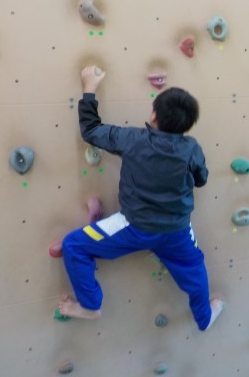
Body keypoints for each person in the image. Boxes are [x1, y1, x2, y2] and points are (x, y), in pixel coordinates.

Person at [57, 65, 224, 331]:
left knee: (73, 246)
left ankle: (90, 306)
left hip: (134, 227)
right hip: (177, 231)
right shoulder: (191, 148)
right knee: (195, 268)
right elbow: (201, 179)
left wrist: (90, 87)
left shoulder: (132, 139)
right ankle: (205, 316)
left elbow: (91, 130)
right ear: (189, 125)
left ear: (153, 114)